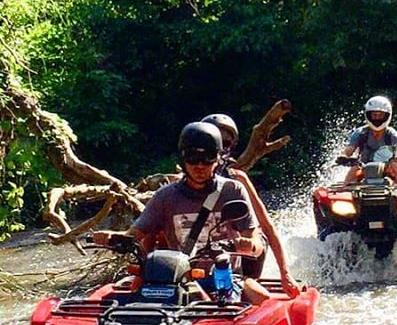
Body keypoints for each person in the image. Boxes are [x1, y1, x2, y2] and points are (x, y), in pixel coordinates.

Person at [93, 122, 285, 303]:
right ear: (183, 159)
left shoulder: (232, 190)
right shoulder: (164, 197)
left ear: (218, 158)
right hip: (180, 279)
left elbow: (256, 241)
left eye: (207, 157)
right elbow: (134, 236)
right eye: (193, 158)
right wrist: (112, 238)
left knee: (263, 300)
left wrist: (248, 245)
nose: (200, 165)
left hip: (226, 276)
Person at [200, 112, 300, 297]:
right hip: (198, 251)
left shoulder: (237, 180)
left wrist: (285, 274)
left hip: (241, 249)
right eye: (215, 142)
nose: (220, 148)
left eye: (225, 143)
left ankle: (243, 282)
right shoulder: (183, 182)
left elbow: (267, 226)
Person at [341, 95, 397, 185]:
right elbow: (350, 148)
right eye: (374, 115)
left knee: (396, 164)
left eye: (380, 115)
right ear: (368, 115)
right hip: (364, 167)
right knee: (354, 167)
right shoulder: (361, 132)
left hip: (388, 168)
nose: (377, 118)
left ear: (387, 115)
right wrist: (343, 156)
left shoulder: (390, 133)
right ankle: (344, 191)